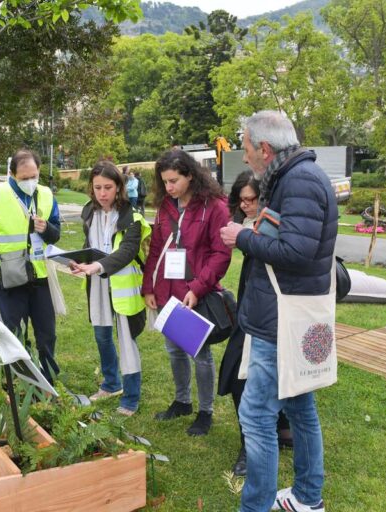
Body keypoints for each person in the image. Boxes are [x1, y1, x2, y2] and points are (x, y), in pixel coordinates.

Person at [220, 111, 337, 512]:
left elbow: (297, 252)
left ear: (265, 149)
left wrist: (242, 237)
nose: (245, 156)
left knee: (255, 416)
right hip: (288, 314)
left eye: (247, 148)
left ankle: (256, 507)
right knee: (300, 407)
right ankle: (307, 497)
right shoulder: (293, 177)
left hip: (281, 320)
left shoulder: (299, 181)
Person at [142, 149, 232, 436]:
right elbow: (156, 248)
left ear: (190, 175)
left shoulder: (214, 207)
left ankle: (205, 411)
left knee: (199, 354)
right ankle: (182, 401)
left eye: (173, 181)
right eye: (164, 182)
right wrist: (149, 287)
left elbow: (221, 254)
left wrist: (197, 288)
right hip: (168, 291)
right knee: (173, 350)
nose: (168, 188)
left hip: (195, 293)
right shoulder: (166, 206)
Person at [217, 171, 292, 477]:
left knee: (256, 379)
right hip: (250, 312)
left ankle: (256, 443)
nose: (246, 205)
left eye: (253, 199)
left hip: (270, 316)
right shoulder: (248, 224)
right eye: (242, 200)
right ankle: (276, 432)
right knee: (241, 376)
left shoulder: (274, 227)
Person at [0, 148, 62, 383]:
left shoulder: (46, 195)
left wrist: (47, 230)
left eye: (34, 176)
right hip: (9, 277)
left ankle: (48, 379)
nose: (30, 182)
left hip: (40, 277)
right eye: (24, 178)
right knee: (14, 333)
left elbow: (56, 235)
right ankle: (21, 379)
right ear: (12, 175)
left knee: (47, 333)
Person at [71, 161, 151, 416]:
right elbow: (90, 244)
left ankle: (131, 397)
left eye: (108, 187)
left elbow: (127, 252)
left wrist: (97, 266)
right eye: (97, 188)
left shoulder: (133, 217)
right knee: (102, 335)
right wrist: (79, 261)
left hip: (123, 286)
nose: (102, 193)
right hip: (97, 284)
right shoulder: (89, 213)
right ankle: (111, 384)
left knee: (126, 341)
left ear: (119, 188)